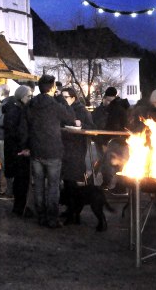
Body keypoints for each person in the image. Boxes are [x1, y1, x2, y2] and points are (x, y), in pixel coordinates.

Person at [23, 74, 77, 228]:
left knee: (38, 185)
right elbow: (71, 117)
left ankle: (41, 216)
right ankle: (52, 219)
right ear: (53, 87)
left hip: (36, 150)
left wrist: (26, 145)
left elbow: (25, 125)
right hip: (53, 150)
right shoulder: (55, 104)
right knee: (53, 186)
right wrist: (61, 99)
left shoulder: (31, 104)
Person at [60, 87, 94, 224]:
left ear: (73, 97)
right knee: (67, 182)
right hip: (65, 148)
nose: (63, 99)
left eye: (66, 97)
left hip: (76, 150)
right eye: (62, 97)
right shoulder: (63, 108)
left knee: (73, 181)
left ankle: (74, 212)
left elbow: (91, 128)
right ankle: (70, 209)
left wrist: (81, 125)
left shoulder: (82, 110)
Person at [3, 85, 33, 216]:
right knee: (21, 180)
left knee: (20, 180)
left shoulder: (14, 109)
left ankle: (19, 207)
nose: (31, 98)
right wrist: (24, 147)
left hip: (15, 150)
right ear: (21, 96)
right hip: (18, 151)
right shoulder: (16, 111)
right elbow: (17, 132)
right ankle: (20, 207)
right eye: (29, 96)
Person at [91, 87, 128, 190]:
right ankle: (117, 185)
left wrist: (104, 139)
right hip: (115, 139)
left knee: (110, 163)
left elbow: (111, 125)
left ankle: (113, 184)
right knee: (113, 162)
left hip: (111, 139)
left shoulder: (113, 109)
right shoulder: (121, 108)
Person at [0, 84, 14, 200]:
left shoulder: (4, 106)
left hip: (1, 138)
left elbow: (1, 122)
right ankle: (7, 190)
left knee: (6, 166)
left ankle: (9, 192)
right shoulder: (11, 103)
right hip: (6, 138)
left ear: (1, 93)